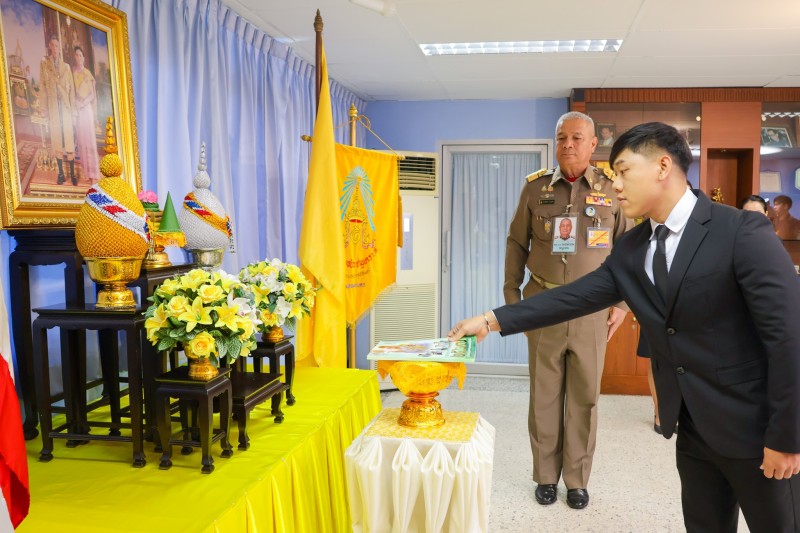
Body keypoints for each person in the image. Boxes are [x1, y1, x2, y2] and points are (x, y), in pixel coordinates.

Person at [451, 122, 800, 532]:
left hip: (757, 430)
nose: (615, 184)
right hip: (693, 429)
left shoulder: (740, 231)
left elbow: (789, 338)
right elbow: (573, 297)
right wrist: (492, 320)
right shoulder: (634, 248)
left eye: (623, 171)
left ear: (662, 166)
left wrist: (787, 436)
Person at [503, 111, 632, 510]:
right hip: (542, 304)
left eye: (577, 138)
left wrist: (622, 303)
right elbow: (516, 243)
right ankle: (545, 476)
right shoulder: (535, 189)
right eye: (562, 138)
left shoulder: (612, 190)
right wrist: (512, 300)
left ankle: (576, 480)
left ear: (594, 144)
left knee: (584, 398)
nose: (568, 145)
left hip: (592, 309)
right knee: (544, 396)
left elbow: (628, 250)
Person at [39, 34, 76, 185]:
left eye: (56, 45)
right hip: (54, 106)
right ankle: (61, 173)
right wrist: (44, 107)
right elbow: (43, 86)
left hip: (65, 107)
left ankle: (72, 174)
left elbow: (71, 90)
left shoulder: (66, 67)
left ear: (59, 48)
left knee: (68, 139)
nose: (54, 48)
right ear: (49, 47)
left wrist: (73, 110)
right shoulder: (45, 65)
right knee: (57, 139)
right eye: (52, 45)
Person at [71, 46, 100, 184]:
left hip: (86, 109)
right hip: (78, 110)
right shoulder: (72, 73)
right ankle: (86, 173)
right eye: (76, 55)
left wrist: (83, 103)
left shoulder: (88, 74)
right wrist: (76, 103)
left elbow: (92, 94)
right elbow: (71, 92)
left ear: (83, 58)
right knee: (81, 140)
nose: (78, 57)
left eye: (80, 55)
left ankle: (94, 173)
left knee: (90, 141)